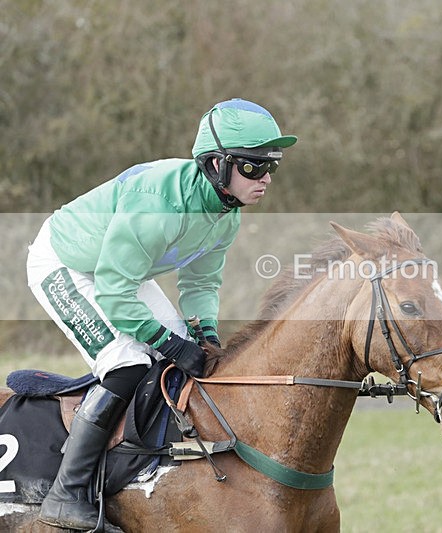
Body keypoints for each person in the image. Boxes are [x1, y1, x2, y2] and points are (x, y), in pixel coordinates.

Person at [26, 98, 296, 530]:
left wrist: (203, 333)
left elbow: (200, 283)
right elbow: (114, 293)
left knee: (185, 357)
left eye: (272, 167)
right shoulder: (158, 205)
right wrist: (169, 341)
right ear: (216, 164)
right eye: (252, 167)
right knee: (128, 363)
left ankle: (154, 463)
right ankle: (67, 492)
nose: (264, 178)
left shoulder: (225, 214)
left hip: (120, 270)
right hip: (67, 264)